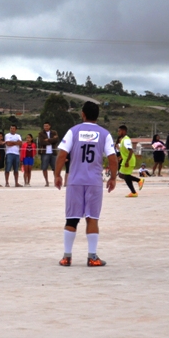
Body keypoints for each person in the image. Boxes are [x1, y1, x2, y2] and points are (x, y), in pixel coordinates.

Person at [54, 101, 117, 267]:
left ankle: (66, 257)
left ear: (83, 114)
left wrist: (57, 174)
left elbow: (62, 155)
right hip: (94, 182)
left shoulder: (73, 131)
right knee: (92, 218)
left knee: (72, 219)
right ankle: (92, 257)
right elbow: (112, 159)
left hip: (75, 181)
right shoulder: (105, 134)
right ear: (97, 116)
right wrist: (113, 178)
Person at [117, 125, 143, 197]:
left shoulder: (126, 140)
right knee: (125, 176)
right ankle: (133, 192)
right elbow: (125, 152)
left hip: (128, 161)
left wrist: (127, 161)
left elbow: (131, 151)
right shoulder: (123, 140)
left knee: (121, 175)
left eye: (119, 131)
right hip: (126, 160)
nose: (118, 132)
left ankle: (139, 181)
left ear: (124, 131)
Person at [37, 122, 59, 186]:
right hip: (44, 152)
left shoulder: (54, 132)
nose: (46, 127)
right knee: (44, 168)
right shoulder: (41, 133)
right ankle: (46, 181)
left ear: (50, 126)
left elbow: (56, 140)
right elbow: (42, 142)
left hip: (53, 152)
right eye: (44, 126)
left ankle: (55, 180)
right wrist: (51, 141)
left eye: (47, 126)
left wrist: (48, 140)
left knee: (55, 168)